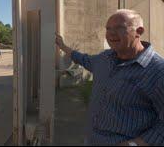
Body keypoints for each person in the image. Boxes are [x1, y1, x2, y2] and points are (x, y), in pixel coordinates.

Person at [56, 9, 164, 146]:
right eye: (108, 28)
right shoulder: (105, 58)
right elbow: (84, 59)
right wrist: (63, 46)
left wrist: (135, 144)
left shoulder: (158, 71)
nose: (111, 34)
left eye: (119, 28)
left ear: (139, 31)